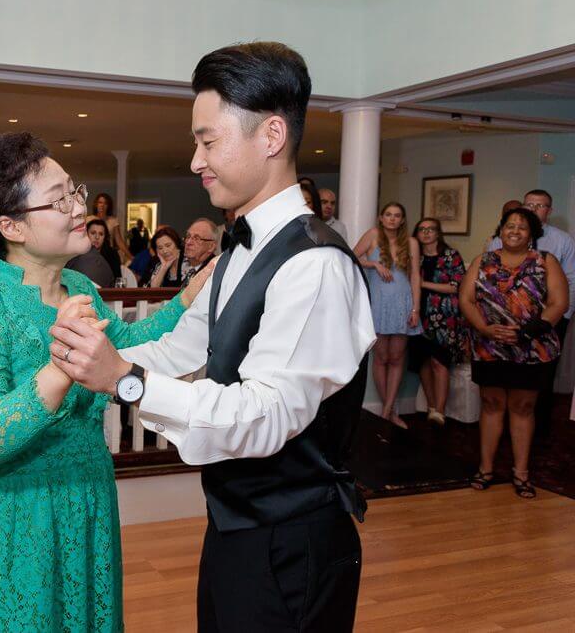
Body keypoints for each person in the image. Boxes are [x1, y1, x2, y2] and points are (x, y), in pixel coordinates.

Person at [48, 42, 374, 632]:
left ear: (270, 136)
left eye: (208, 140)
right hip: (233, 523)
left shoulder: (315, 264)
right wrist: (79, 364)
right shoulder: (236, 252)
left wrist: (123, 381)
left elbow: (268, 414)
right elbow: (181, 350)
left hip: (292, 539)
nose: (195, 160)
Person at [0, 132, 212, 631]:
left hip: (87, 495)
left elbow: (125, 347)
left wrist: (188, 299)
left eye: (75, 190)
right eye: (59, 197)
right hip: (16, 515)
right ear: (12, 226)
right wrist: (61, 365)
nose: (78, 205)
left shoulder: (80, 287)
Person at [461, 207, 569, 498]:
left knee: (523, 408)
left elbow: (559, 303)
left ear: (532, 234)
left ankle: (521, 473)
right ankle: (485, 468)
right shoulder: (482, 261)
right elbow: (466, 300)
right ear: (501, 230)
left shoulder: (546, 261)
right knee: (491, 404)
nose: (515, 231)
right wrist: (485, 329)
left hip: (532, 347)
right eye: (510, 225)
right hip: (488, 344)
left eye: (522, 227)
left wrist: (525, 332)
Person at [488, 189, 575, 438]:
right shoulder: (500, 239)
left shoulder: (563, 241)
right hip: (507, 320)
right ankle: (505, 428)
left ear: (549, 211)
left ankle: (539, 432)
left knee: (542, 377)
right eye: (529, 204)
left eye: (540, 205)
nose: (534, 209)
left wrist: (563, 316)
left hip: (549, 319)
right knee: (506, 374)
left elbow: (572, 280)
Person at [353, 202, 421, 428]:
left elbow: (415, 277)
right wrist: (373, 264)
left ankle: (387, 410)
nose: (392, 219)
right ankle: (388, 410)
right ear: (381, 218)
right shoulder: (372, 235)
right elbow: (351, 257)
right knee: (381, 358)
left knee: (396, 358)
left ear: (402, 220)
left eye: (397, 216)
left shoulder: (411, 242)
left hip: (403, 304)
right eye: (388, 215)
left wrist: (415, 309)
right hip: (378, 304)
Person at [409, 218, 467, 425]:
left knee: (439, 362)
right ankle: (432, 407)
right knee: (423, 361)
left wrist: (421, 283)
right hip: (417, 313)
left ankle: (440, 411)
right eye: (421, 229)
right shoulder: (414, 257)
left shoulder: (451, 256)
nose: (426, 233)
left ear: (438, 233)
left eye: (430, 229)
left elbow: (456, 286)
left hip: (444, 316)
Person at [88, 192, 133, 262]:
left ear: (108, 206)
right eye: (100, 202)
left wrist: (131, 257)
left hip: (108, 255)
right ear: (96, 204)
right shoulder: (88, 220)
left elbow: (119, 241)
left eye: (105, 203)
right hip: (91, 253)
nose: (102, 205)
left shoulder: (113, 221)